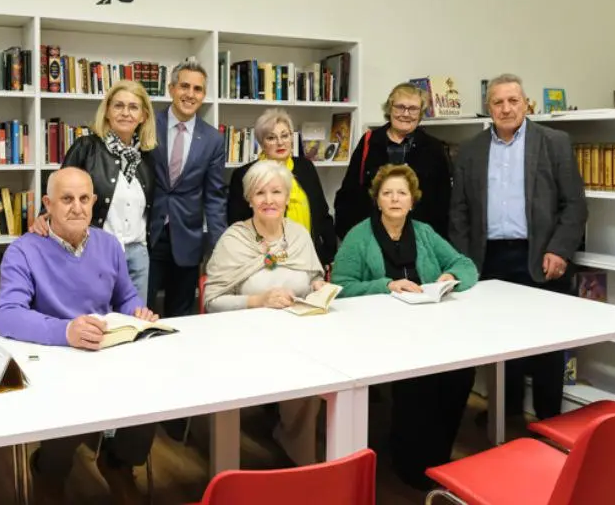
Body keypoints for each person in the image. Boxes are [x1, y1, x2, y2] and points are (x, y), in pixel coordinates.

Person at [0, 167, 158, 504]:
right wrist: (66, 330)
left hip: (102, 350)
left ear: (95, 202)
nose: (77, 208)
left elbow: (125, 296)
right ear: (47, 204)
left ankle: (118, 463)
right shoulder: (23, 250)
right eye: (66, 199)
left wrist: (137, 311)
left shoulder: (109, 245)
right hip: (53, 357)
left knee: (152, 395)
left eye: (84, 199)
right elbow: (6, 314)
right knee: (73, 410)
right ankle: (49, 471)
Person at [450, 73, 588, 422]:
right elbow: (460, 212)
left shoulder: (554, 142)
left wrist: (559, 249)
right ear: (488, 108)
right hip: (489, 260)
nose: (506, 108)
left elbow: (574, 204)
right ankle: (506, 416)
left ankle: (549, 422)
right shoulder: (470, 151)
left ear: (526, 103)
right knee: (499, 344)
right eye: (498, 102)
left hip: (540, 256)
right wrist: (466, 262)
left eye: (513, 101)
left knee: (546, 345)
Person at [332, 164, 478, 490]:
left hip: (426, 326)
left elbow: (464, 264)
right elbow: (340, 285)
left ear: (413, 200)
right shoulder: (359, 235)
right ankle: (409, 461)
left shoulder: (424, 232)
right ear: (377, 200)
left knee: (461, 373)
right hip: (378, 331)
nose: (395, 199)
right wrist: (386, 285)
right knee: (416, 383)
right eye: (388, 193)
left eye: (402, 193)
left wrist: (450, 277)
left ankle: (438, 455)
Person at [204, 160, 326, 466]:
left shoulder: (298, 235)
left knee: (318, 369)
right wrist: (258, 300)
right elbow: (212, 300)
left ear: (287, 197)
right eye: (261, 193)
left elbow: (313, 277)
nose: (269, 200)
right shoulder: (233, 239)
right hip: (246, 340)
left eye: (276, 192)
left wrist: (318, 285)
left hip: (298, 334)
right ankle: (230, 465)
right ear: (249, 199)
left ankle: (300, 453)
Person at [29, 80, 157, 302]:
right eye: (118, 106)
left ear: (143, 116)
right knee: (97, 321)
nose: (125, 113)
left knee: (136, 321)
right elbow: (60, 188)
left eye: (133, 107)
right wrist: (44, 216)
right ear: (107, 111)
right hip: (96, 252)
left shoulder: (147, 157)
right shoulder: (86, 148)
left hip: (138, 255)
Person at [149, 60, 226, 317]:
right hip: (149, 233)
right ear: (171, 89)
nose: (190, 94)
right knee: (141, 309)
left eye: (197, 89)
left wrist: (218, 246)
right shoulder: (148, 124)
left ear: (203, 96)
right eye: (184, 86)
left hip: (188, 240)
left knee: (181, 316)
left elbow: (214, 196)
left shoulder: (213, 139)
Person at [334, 82, 453, 240]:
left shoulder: (434, 148)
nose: (405, 114)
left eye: (413, 109)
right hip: (371, 237)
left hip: (419, 240)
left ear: (420, 113)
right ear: (390, 108)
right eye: (400, 107)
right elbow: (349, 192)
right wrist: (349, 236)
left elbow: (444, 202)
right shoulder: (369, 142)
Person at [227, 108, 336, 268]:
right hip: (266, 261)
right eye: (271, 137)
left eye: (285, 135)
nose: (280, 142)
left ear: (292, 138)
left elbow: (322, 214)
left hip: (308, 256)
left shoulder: (305, 167)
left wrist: (328, 254)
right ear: (261, 142)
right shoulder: (246, 174)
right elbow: (238, 224)